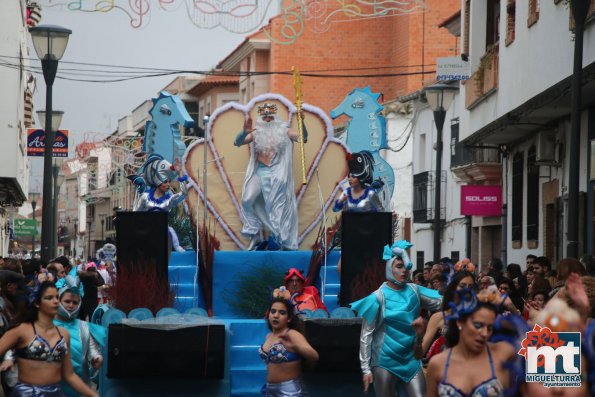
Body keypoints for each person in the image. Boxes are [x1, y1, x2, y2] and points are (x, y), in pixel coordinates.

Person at [350, 241, 442, 396]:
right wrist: (366, 369)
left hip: (411, 360)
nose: (404, 271)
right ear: (389, 268)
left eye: (405, 266)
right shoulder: (377, 297)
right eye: (398, 266)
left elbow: (441, 302)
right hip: (385, 362)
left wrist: (465, 294)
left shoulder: (414, 290)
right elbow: (366, 336)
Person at [0, 281, 98, 396]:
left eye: (57, 297)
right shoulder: (22, 330)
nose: (56, 301)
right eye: (49, 298)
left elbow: (69, 375)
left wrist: (93, 395)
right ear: (37, 303)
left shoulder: (63, 334)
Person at [234, 103, 307, 251]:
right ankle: (254, 233)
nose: (267, 118)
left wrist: (302, 123)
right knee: (247, 199)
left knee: (276, 209)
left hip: (277, 175)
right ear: (261, 118)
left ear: (275, 117)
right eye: (264, 116)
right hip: (259, 172)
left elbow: (303, 138)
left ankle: (278, 238)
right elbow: (237, 143)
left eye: (270, 115)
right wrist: (244, 132)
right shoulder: (256, 132)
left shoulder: (284, 130)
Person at [426, 289, 515, 397]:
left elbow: (536, 349)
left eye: (490, 328)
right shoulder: (438, 364)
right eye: (478, 326)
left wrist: (513, 309)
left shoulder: (503, 353)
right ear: (460, 322)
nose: (484, 333)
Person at [54, 274, 106, 397]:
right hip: (52, 387)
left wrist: (97, 359)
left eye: (75, 302)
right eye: (67, 301)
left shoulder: (84, 327)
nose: (71, 305)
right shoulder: (46, 324)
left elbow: (92, 350)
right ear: (58, 300)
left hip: (79, 387)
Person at [260, 297, 318, 396]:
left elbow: (314, 356)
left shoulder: (292, 334)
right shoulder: (268, 337)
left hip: (290, 391)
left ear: (289, 318)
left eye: (282, 313)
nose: (276, 315)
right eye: (273, 311)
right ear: (268, 315)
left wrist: (295, 346)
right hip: (270, 390)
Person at [131, 154, 189, 252]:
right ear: (158, 182)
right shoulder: (145, 197)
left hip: (163, 232)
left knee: (173, 240)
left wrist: (180, 172)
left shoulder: (169, 200)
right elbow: (136, 214)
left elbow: (184, 193)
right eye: (165, 182)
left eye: (169, 182)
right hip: (147, 232)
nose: (168, 185)